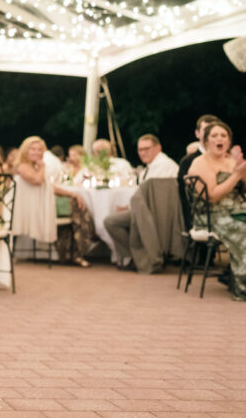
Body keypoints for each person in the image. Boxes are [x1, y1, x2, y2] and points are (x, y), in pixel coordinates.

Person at [13, 136, 93, 267]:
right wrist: (42, 166)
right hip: (27, 209)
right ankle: (74, 252)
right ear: (25, 150)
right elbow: (38, 181)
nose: (37, 152)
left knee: (80, 208)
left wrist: (73, 194)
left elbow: (49, 187)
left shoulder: (36, 166)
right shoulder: (22, 166)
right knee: (77, 212)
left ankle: (76, 251)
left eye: (40, 150)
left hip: (40, 206)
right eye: (33, 149)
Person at [186, 122, 246, 298]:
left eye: (224, 136)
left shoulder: (232, 161)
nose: (220, 139)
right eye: (214, 136)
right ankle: (242, 286)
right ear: (205, 141)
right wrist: (236, 175)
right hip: (212, 214)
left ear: (229, 141)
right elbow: (211, 196)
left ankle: (232, 276)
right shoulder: (200, 163)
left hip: (238, 210)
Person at [102, 134, 180, 269]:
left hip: (156, 215)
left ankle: (140, 256)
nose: (143, 153)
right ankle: (139, 256)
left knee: (111, 221)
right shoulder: (151, 166)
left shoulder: (164, 166)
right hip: (147, 210)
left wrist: (131, 208)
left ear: (158, 148)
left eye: (147, 149)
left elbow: (154, 200)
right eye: (140, 150)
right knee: (113, 218)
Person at [179, 115, 222, 229]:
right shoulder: (188, 161)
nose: (210, 135)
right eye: (206, 130)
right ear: (197, 134)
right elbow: (184, 198)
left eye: (213, 131)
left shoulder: (229, 159)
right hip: (206, 217)